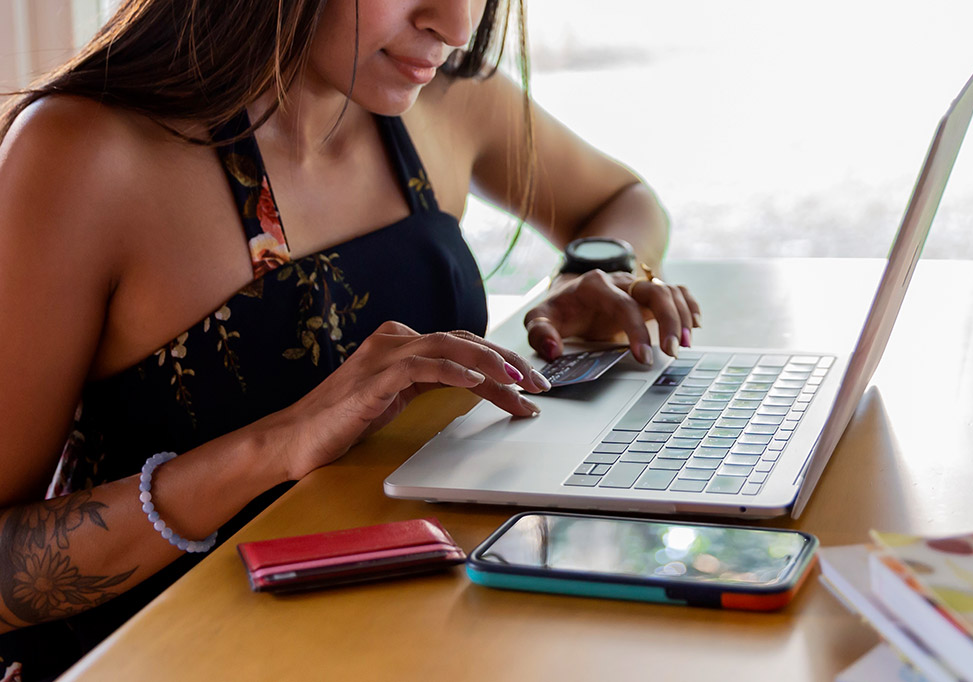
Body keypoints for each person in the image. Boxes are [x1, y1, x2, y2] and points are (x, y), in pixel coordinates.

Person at [0, 0, 700, 679]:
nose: (456, 26)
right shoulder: (85, 153)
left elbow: (624, 199)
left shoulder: (442, 100)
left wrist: (583, 276)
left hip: (418, 635)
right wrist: (273, 446)